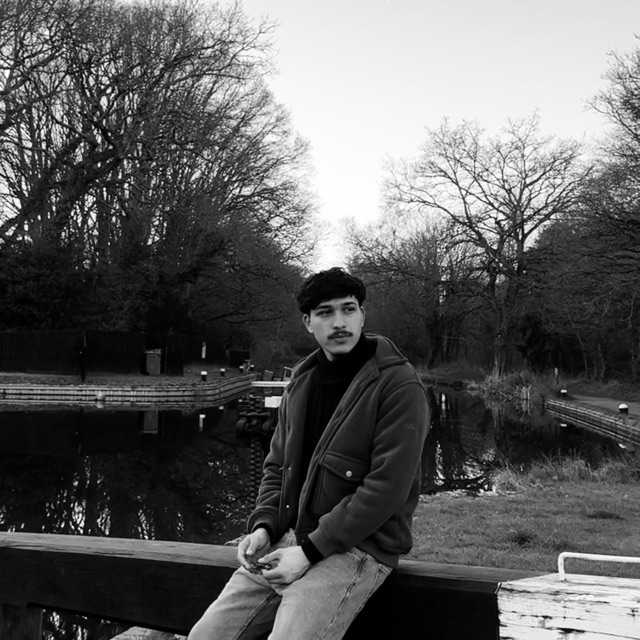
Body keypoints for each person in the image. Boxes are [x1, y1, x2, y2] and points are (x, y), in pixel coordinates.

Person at [188, 267, 429, 640]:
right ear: (307, 322)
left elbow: (386, 488)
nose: (339, 322)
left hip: (357, 548)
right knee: (206, 636)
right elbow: (276, 467)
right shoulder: (301, 381)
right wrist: (264, 526)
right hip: (289, 539)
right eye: (325, 313)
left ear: (363, 314)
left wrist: (308, 552)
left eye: (348, 309)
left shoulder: (398, 385)